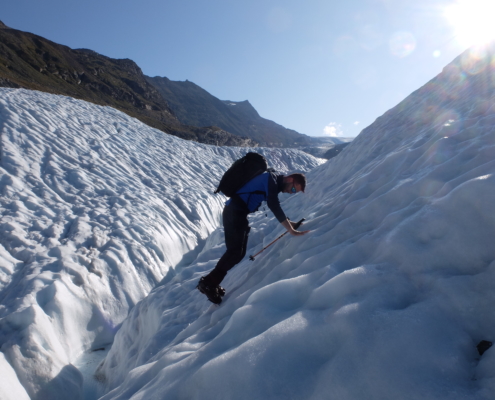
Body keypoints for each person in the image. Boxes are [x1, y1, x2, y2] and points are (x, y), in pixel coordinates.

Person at [197, 171, 310, 304]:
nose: (291, 192)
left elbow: (274, 206)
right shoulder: (271, 181)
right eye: (292, 189)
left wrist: (291, 224)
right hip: (235, 213)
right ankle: (208, 283)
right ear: (290, 179)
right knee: (235, 252)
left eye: (294, 192)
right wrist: (290, 229)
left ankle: (211, 282)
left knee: (237, 252)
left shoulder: (273, 180)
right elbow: (274, 206)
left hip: (236, 212)